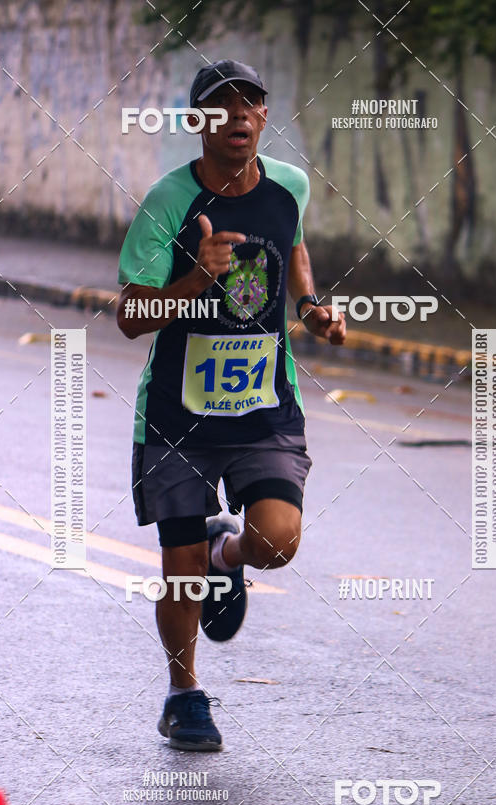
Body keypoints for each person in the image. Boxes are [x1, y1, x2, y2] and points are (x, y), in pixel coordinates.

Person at [117, 59, 346, 751]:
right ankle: (184, 695)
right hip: (178, 416)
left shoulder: (290, 186)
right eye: (222, 106)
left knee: (277, 541)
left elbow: (294, 247)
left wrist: (309, 306)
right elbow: (130, 316)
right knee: (178, 567)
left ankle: (230, 552)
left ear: (264, 117)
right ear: (198, 122)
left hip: (262, 407)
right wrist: (196, 277)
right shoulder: (168, 202)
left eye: (251, 103)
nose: (239, 115)